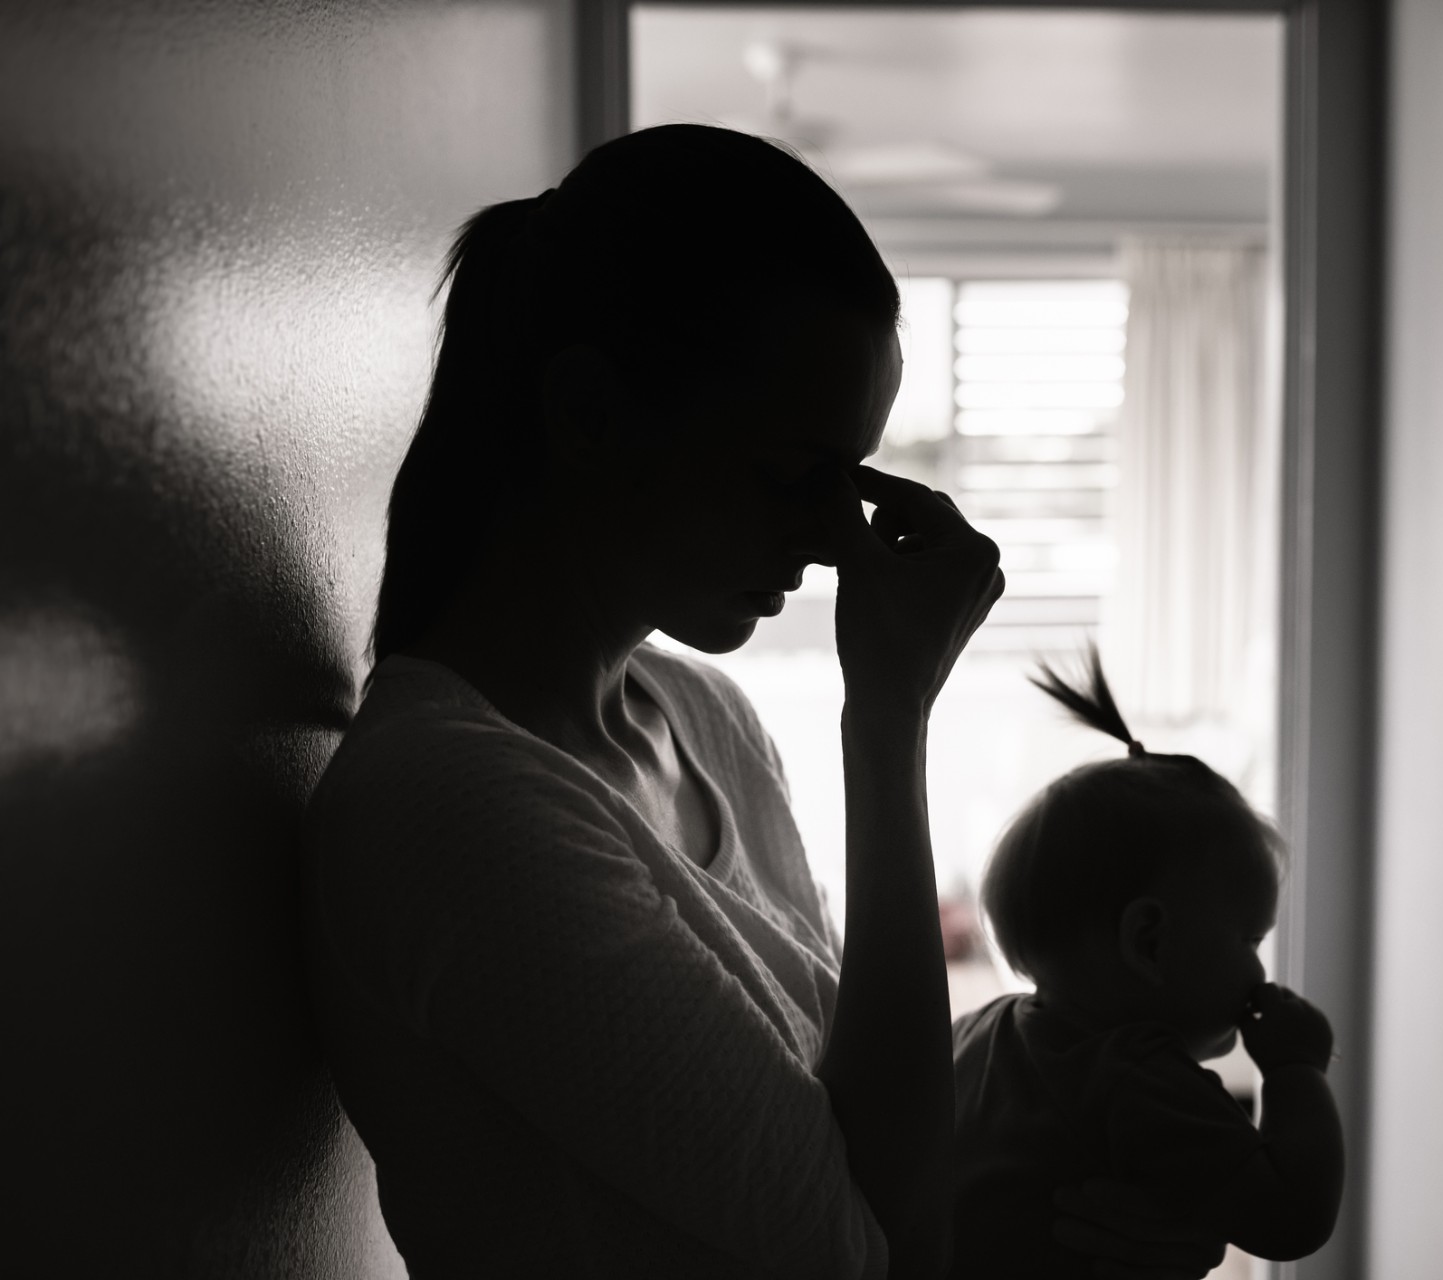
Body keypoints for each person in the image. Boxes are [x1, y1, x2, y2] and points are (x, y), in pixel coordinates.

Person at [299, 124, 1002, 1279]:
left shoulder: (702, 717)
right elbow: (882, 1245)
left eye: (853, 480)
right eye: (794, 475)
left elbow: (863, 1103)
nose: (836, 540)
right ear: (588, 415)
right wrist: (889, 725)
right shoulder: (450, 805)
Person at [951, 648, 1346, 1279]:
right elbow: (1292, 1218)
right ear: (1150, 942)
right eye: (1249, 939)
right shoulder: (1140, 1078)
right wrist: (1298, 1072)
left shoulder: (977, 1032)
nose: (1258, 972)